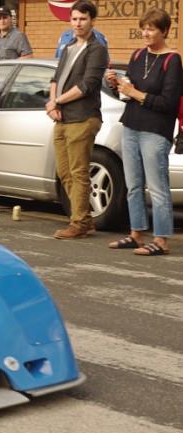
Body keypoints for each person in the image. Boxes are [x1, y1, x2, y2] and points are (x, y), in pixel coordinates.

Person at [106, 8, 180, 256]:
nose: (146, 33)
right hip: (131, 125)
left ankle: (160, 240)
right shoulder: (137, 55)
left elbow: (168, 102)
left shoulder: (173, 60)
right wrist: (117, 85)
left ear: (164, 31)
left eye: (152, 29)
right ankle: (136, 234)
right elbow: (129, 91)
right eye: (144, 28)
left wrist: (135, 93)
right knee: (133, 185)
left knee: (157, 186)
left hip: (156, 130)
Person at [46, 1, 108, 239]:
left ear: (92, 20)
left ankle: (79, 222)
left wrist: (58, 101)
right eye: (74, 19)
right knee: (65, 172)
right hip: (61, 119)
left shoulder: (97, 49)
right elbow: (55, 78)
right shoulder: (69, 45)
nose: (78, 23)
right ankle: (85, 218)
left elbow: (87, 85)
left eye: (83, 19)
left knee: (79, 172)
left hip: (83, 117)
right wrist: (53, 105)